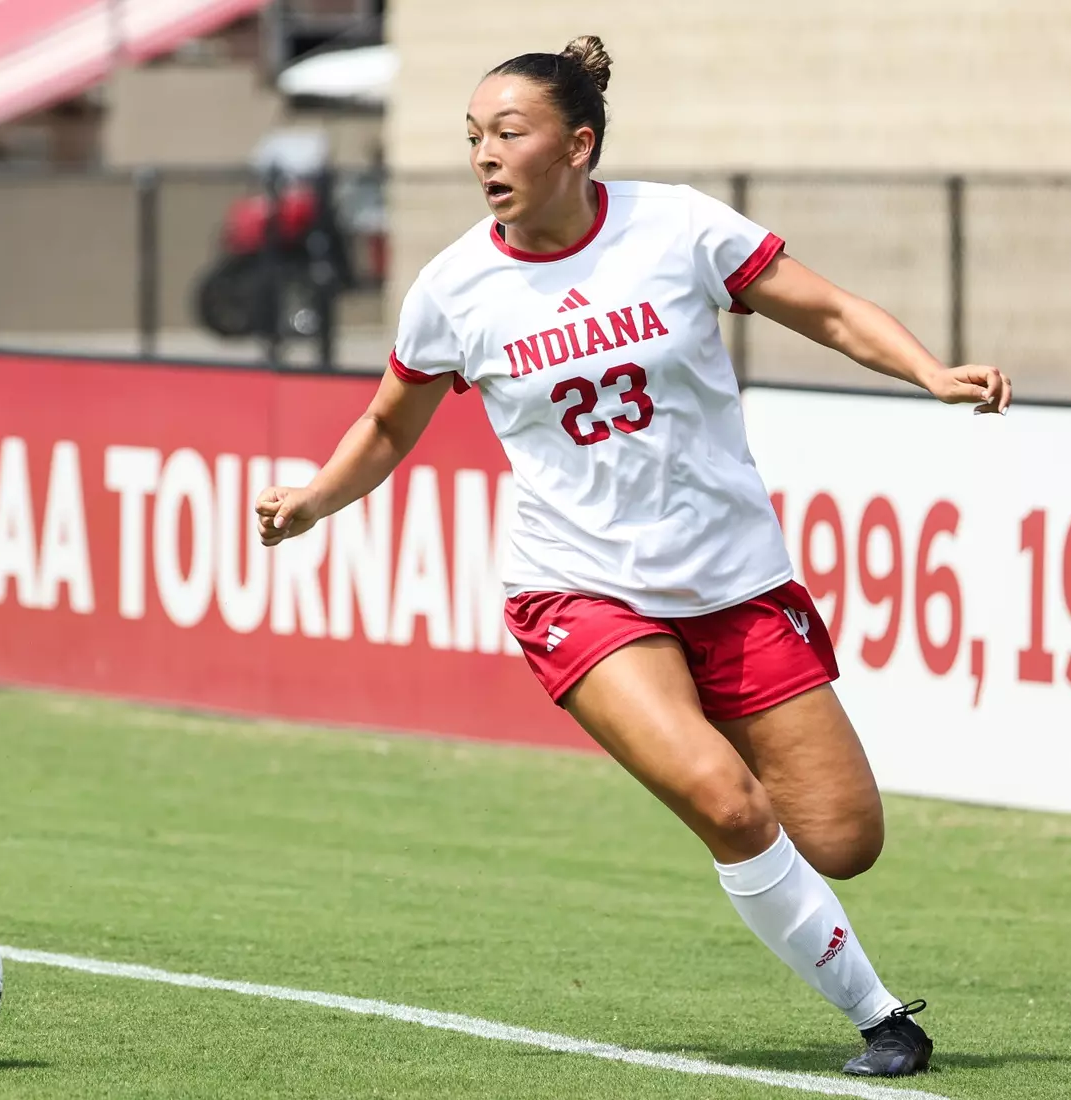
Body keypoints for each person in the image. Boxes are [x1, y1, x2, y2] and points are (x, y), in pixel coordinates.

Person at [258, 35, 1014, 1076]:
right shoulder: (454, 286)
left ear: (578, 145)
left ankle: (751, 803)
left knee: (842, 836)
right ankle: (882, 1015)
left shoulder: (680, 227)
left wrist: (929, 371)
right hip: (579, 587)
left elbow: (828, 308)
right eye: (473, 136)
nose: (485, 154)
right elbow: (392, 423)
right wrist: (314, 499)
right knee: (725, 799)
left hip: (735, 578)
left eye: (507, 133)